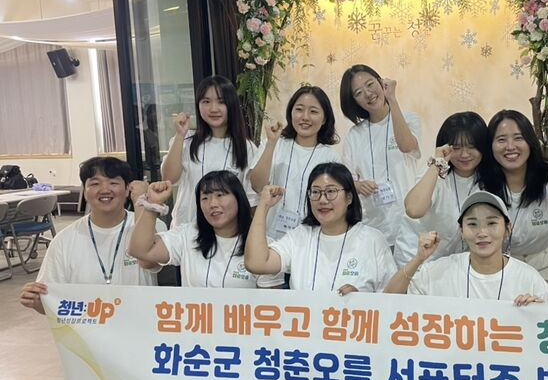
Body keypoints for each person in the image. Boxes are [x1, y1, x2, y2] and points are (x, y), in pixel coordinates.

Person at [385, 191, 548, 380]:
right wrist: (418, 259)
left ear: (507, 228)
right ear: (461, 230)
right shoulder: (439, 270)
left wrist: (538, 312)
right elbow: (389, 302)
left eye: (492, 223)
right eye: (472, 224)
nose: (482, 232)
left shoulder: (527, 277)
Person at [245, 161, 395, 380]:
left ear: (349, 197)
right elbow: (257, 262)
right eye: (315, 192)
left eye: (330, 192)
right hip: (305, 361)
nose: (322, 200)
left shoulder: (371, 239)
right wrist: (263, 208)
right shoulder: (300, 236)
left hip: (352, 364)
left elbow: (393, 299)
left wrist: (364, 300)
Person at [19, 156, 164, 380]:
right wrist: (37, 301)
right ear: (84, 190)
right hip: (97, 351)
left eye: (113, 182)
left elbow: (151, 261)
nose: (104, 189)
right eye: (94, 183)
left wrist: (143, 203)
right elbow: (52, 303)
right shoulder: (65, 241)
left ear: (127, 188)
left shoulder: (146, 227)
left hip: (146, 342)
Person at [128, 170, 257, 380]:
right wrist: (152, 206)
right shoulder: (188, 236)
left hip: (240, 354)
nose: (212, 204)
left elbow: (276, 305)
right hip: (197, 352)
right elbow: (140, 250)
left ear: (239, 198)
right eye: (205, 197)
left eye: (221, 195)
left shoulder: (258, 243)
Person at [249, 86, 342, 287]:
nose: (305, 117)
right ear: (291, 112)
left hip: (310, 246)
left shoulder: (330, 156)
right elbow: (257, 185)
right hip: (271, 242)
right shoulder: (275, 143)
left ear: (324, 119)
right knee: (272, 301)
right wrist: (271, 144)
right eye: (299, 109)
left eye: (314, 111)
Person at [483, 110, 548, 292]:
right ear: (490, 146)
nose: (510, 146)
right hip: (500, 260)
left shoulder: (547, 175)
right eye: (501, 140)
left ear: (530, 142)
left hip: (545, 257)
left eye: (518, 138)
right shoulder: (483, 182)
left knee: (540, 307)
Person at [339, 64, 421, 250]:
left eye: (370, 84)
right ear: (354, 101)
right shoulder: (355, 134)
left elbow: (407, 146)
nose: (368, 94)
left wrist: (392, 99)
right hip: (373, 227)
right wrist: (358, 185)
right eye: (358, 93)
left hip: (407, 225)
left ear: (380, 82)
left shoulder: (409, 119)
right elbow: (346, 180)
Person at [160, 75, 260, 228]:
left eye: (221, 102)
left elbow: (251, 200)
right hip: (186, 230)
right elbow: (169, 178)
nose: (213, 109)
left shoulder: (246, 148)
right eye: (206, 102)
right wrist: (180, 135)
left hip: (226, 233)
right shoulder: (186, 140)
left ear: (231, 105)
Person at [394, 112, 491, 266]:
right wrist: (438, 163)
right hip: (417, 260)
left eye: (472, 146)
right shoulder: (434, 173)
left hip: (455, 264)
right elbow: (413, 210)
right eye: (456, 148)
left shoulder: (488, 178)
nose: (464, 154)